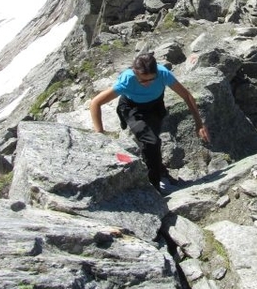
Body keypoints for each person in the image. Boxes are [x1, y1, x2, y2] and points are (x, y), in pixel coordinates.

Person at [90, 52, 210, 190]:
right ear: (135, 73)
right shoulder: (127, 79)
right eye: (142, 80)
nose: (147, 83)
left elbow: (187, 96)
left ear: (156, 72)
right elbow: (95, 103)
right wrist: (99, 133)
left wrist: (199, 123)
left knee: (153, 142)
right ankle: (154, 186)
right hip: (132, 109)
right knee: (150, 142)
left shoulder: (163, 74)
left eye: (151, 79)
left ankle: (158, 169)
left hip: (155, 107)